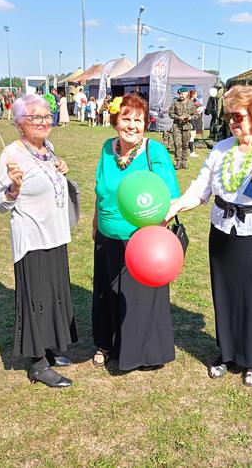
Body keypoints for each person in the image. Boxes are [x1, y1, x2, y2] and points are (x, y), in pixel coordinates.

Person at [165, 85, 252, 387]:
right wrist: (172, 208)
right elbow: (200, 190)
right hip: (222, 232)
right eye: (229, 117)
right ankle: (226, 353)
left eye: (238, 116)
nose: (232, 122)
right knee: (224, 294)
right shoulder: (220, 149)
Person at [0, 94, 78, 388]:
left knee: (53, 295)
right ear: (19, 124)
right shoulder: (11, 155)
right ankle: (38, 364)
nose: (44, 122)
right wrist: (13, 190)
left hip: (55, 234)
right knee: (36, 300)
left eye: (46, 116)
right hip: (32, 239)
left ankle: (51, 350)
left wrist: (61, 169)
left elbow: (50, 178)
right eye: (35, 118)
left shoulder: (47, 148)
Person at [91, 94, 180, 371]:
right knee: (107, 293)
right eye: (126, 119)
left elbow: (171, 198)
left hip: (141, 242)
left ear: (145, 124)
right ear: (115, 121)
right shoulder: (108, 148)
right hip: (108, 235)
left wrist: (158, 233)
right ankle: (106, 344)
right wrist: (95, 223)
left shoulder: (155, 152)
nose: (131, 125)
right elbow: (100, 189)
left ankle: (140, 352)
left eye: (138, 120)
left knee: (138, 298)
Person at [169, 86, 198, 170]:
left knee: (185, 145)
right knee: (177, 145)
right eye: (179, 94)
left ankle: (184, 161)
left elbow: (196, 115)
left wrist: (190, 118)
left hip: (187, 127)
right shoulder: (175, 103)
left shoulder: (191, 103)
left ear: (187, 94)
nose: (180, 96)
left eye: (182, 94)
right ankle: (178, 162)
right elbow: (170, 113)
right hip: (177, 127)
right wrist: (179, 117)